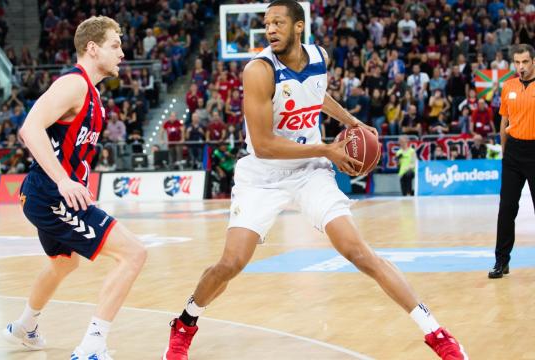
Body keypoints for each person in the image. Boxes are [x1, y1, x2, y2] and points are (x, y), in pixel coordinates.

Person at [161, 2, 466, 360]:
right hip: (264, 174)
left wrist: (352, 122)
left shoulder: (318, 56)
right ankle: (185, 322)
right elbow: (263, 146)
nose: (270, 29)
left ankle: (437, 334)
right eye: (266, 24)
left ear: (299, 26)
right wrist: (326, 149)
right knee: (232, 263)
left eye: (277, 22)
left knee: (358, 252)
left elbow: (316, 94)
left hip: (309, 170)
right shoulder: (258, 70)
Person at [1, 16, 147, 360]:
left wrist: (72, 181)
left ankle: (25, 326)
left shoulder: (92, 93)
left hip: (48, 194)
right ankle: (92, 347)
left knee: (64, 263)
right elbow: (30, 129)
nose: (122, 53)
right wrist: (64, 180)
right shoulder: (74, 84)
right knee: (134, 254)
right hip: (51, 195)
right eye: (115, 45)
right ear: (92, 48)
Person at [490, 44, 535, 279]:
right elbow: (503, 122)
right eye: (517, 62)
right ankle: (501, 262)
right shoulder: (508, 86)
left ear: (533, 62)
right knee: (506, 209)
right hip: (514, 153)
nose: (521, 67)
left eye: (525, 62)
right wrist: (505, 152)